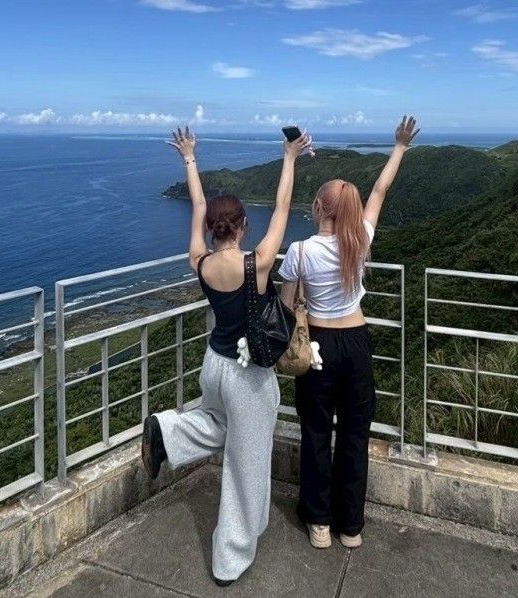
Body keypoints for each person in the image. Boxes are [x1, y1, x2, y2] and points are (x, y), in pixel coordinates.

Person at [142, 125, 312, 586]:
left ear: (214, 229)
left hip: (213, 365)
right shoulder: (254, 265)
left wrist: (190, 159)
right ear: (241, 226)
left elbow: (197, 207)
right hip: (247, 374)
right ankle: (230, 558)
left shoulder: (199, 261)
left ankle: (169, 431)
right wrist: (290, 157)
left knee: (218, 427)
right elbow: (282, 208)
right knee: (247, 462)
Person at [279, 115, 419, 550]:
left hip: (318, 347)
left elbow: (286, 307)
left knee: (317, 432)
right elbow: (380, 190)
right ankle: (351, 526)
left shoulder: (301, 251)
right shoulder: (361, 239)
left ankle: (318, 523)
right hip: (356, 343)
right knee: (355, 434)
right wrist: (399, 147)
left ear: (318, 209)